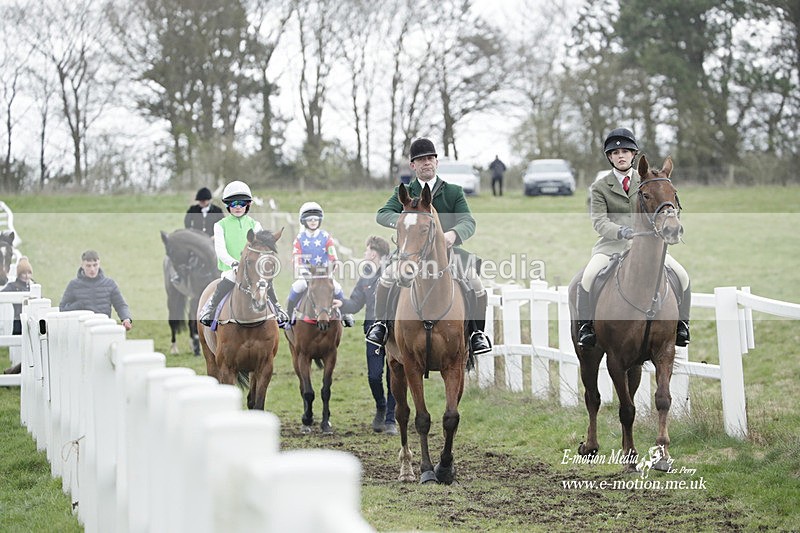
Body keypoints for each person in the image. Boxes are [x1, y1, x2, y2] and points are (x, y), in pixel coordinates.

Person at [366, 137, 492, 355]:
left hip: (447, 254)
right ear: (413, 166)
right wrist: (405, 222)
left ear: (436, 162)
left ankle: (475, 334)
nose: (427, 162)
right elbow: (382, 215)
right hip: (410, 254)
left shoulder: (453, 191)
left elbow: (468, 221)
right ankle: (382, 326)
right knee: (386, 278)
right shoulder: (404, 191)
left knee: (476, 283)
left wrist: (454, 234)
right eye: (421, 159)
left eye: (430, 158)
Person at [576, 127, 691, 348]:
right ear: (610, 157)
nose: (621, 156)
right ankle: (586, 327)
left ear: (633, 155)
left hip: (648, 247)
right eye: (616, 153)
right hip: (612, 246)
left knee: (683, 276)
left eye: (626, 152)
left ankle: (681, 325)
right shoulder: (600, 188)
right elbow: (599, 222)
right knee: (587, 278)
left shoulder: (649, 180)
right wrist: (621, 231)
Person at [199, 180, 287, 327]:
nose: (238, 207)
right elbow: (220, 250)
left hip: (253, 268)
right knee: (228, 280)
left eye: (242, 203)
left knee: (265, 281)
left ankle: (278, 308)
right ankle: (210, 308)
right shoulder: (220, 225)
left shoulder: (255, 224)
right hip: (231, 268)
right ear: (228, 205)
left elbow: (262, 248)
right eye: (233, 204)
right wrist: (234, 263)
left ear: (248, 204)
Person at [340, 236, 397, 434]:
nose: (365, 255)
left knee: (393, 376)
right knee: (374, 376)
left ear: (373, 253)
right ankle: (381, 406)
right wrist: (340, 304)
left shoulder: (394, 274)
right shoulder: (365, 277)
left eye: (366, 251)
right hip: (372, 331)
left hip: (394, 333)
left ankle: (391, 419)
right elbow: (355, 304)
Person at [284, 202, 353, 327]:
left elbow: (333, 256)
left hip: (325, 274)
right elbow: (296, 258)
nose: (313, 221)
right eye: (309, 219)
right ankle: (288, 317)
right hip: (307, 274)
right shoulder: (299, 238)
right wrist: (303, 271)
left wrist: (331, 267)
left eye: (316, 219)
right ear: (304, 221)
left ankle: (345, 315)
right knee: (296, 288)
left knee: (337, 288)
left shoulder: (326, 237)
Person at [59, 250, 133, 331]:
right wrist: (78, 306)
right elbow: (62, 309)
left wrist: (126, 319)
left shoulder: (110, 284)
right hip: (82, 330)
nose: (92, 269)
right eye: (88, 266)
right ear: (82, 265)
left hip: (104, 328)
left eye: (95, 265)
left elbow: (121, 305)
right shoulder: (73, 285)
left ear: (99, 264)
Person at [2, 257, 34, 374]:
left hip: (31, 321)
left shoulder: (33, 285)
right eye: (24, 273)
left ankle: (15, 372)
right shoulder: (12, 286)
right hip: (17, 322)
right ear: (19, 274)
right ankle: (13, 372)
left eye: (28, 272)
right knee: (18, 351)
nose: (26, 276)